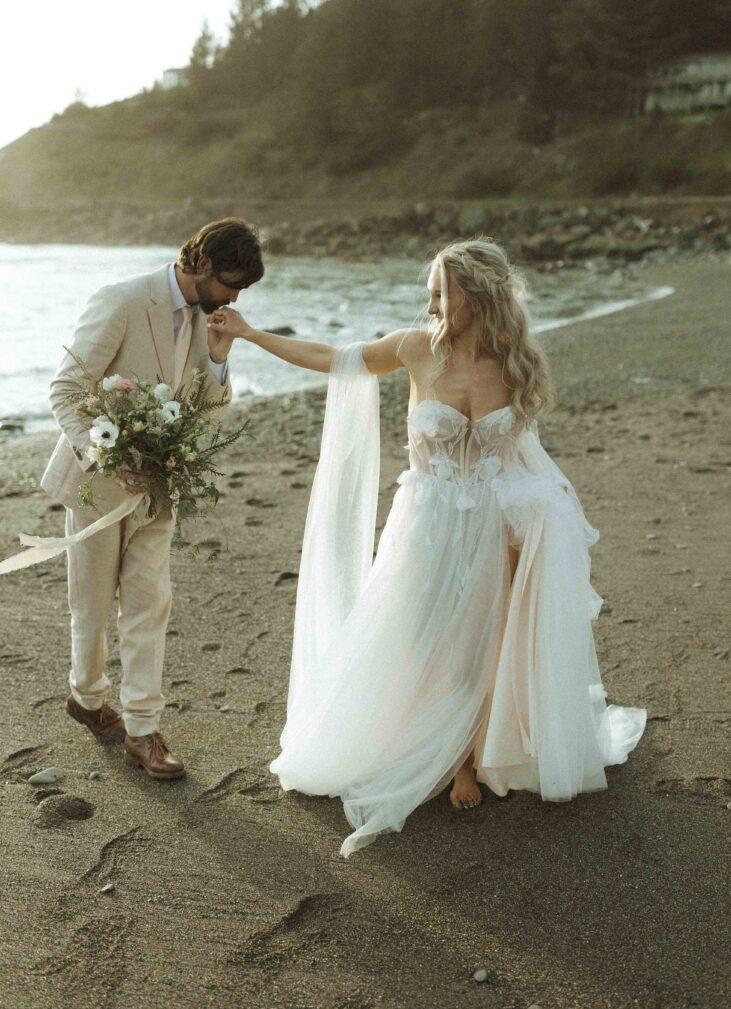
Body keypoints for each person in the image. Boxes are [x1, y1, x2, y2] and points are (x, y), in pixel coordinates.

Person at [209, 237, 646, 856]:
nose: (431, 301)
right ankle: (423, 740)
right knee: (419, 636)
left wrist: (536, 525)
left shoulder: (515, 362)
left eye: (443, 290)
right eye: (431, 290)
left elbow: (527, 459)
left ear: (479, 294)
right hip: (426, 522)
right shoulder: (416, 349)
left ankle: (467, 757)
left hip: (493, 524)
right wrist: (252, 335)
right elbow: (333, 357)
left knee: (481, 645)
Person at [41, 218, 264, 779]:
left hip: (160, 489)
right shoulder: (121, 300)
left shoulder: (207, 320)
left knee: (149, 606)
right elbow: (66, 389)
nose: (236, 298)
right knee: (90, 612)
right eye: (233, 283)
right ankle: (85, 697)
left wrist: (217, 356)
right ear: (205, 264)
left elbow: (210, 413)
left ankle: (142, 730)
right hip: (97, 485)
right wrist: (104, 456)